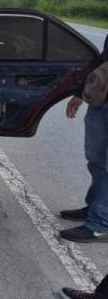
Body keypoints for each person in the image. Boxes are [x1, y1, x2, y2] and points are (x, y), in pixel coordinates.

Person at [60, 35, 108, 243]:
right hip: (102, 101)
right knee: (96, 161)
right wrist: (81, 92)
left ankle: (101, 225)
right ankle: (95, 207)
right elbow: (102, 60)